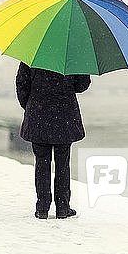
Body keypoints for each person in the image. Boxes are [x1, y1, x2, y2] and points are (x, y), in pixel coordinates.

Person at [16, 62, 91, 219]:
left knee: (41, 164)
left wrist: (31, 106)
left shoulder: (33, 55)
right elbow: (81, 85)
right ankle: (63, 208)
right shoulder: (73, 56)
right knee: (62, 164)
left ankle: (42, 208)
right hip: (64, 118)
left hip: (39, 116)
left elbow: (22, 84)